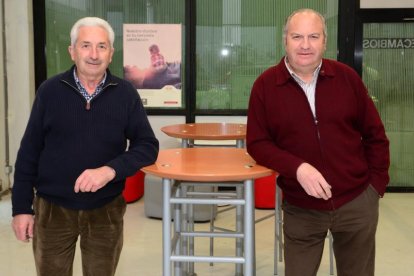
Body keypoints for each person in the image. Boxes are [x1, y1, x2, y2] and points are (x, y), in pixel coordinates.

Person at [11, 17, 159, 276]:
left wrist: (110, 171)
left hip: (106, 210)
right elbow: (29, 152)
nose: (93, 54)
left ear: (111, 54)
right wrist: (21, 208)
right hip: (52, 211)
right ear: (72, 51)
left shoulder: (125, 94)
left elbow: (147, 145)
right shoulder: (49, 92)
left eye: (102, 46)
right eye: (85, 45)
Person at [246, 9, 389, 276]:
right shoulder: (265, 86)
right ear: (285, 40)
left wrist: (375, 188)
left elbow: (375, 135)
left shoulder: (347, 79)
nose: (305, 44)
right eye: (297, 36)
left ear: (324, 41)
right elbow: (257, 143)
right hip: (302, 207)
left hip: (357, 202)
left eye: (314, 36)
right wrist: (298, 168)